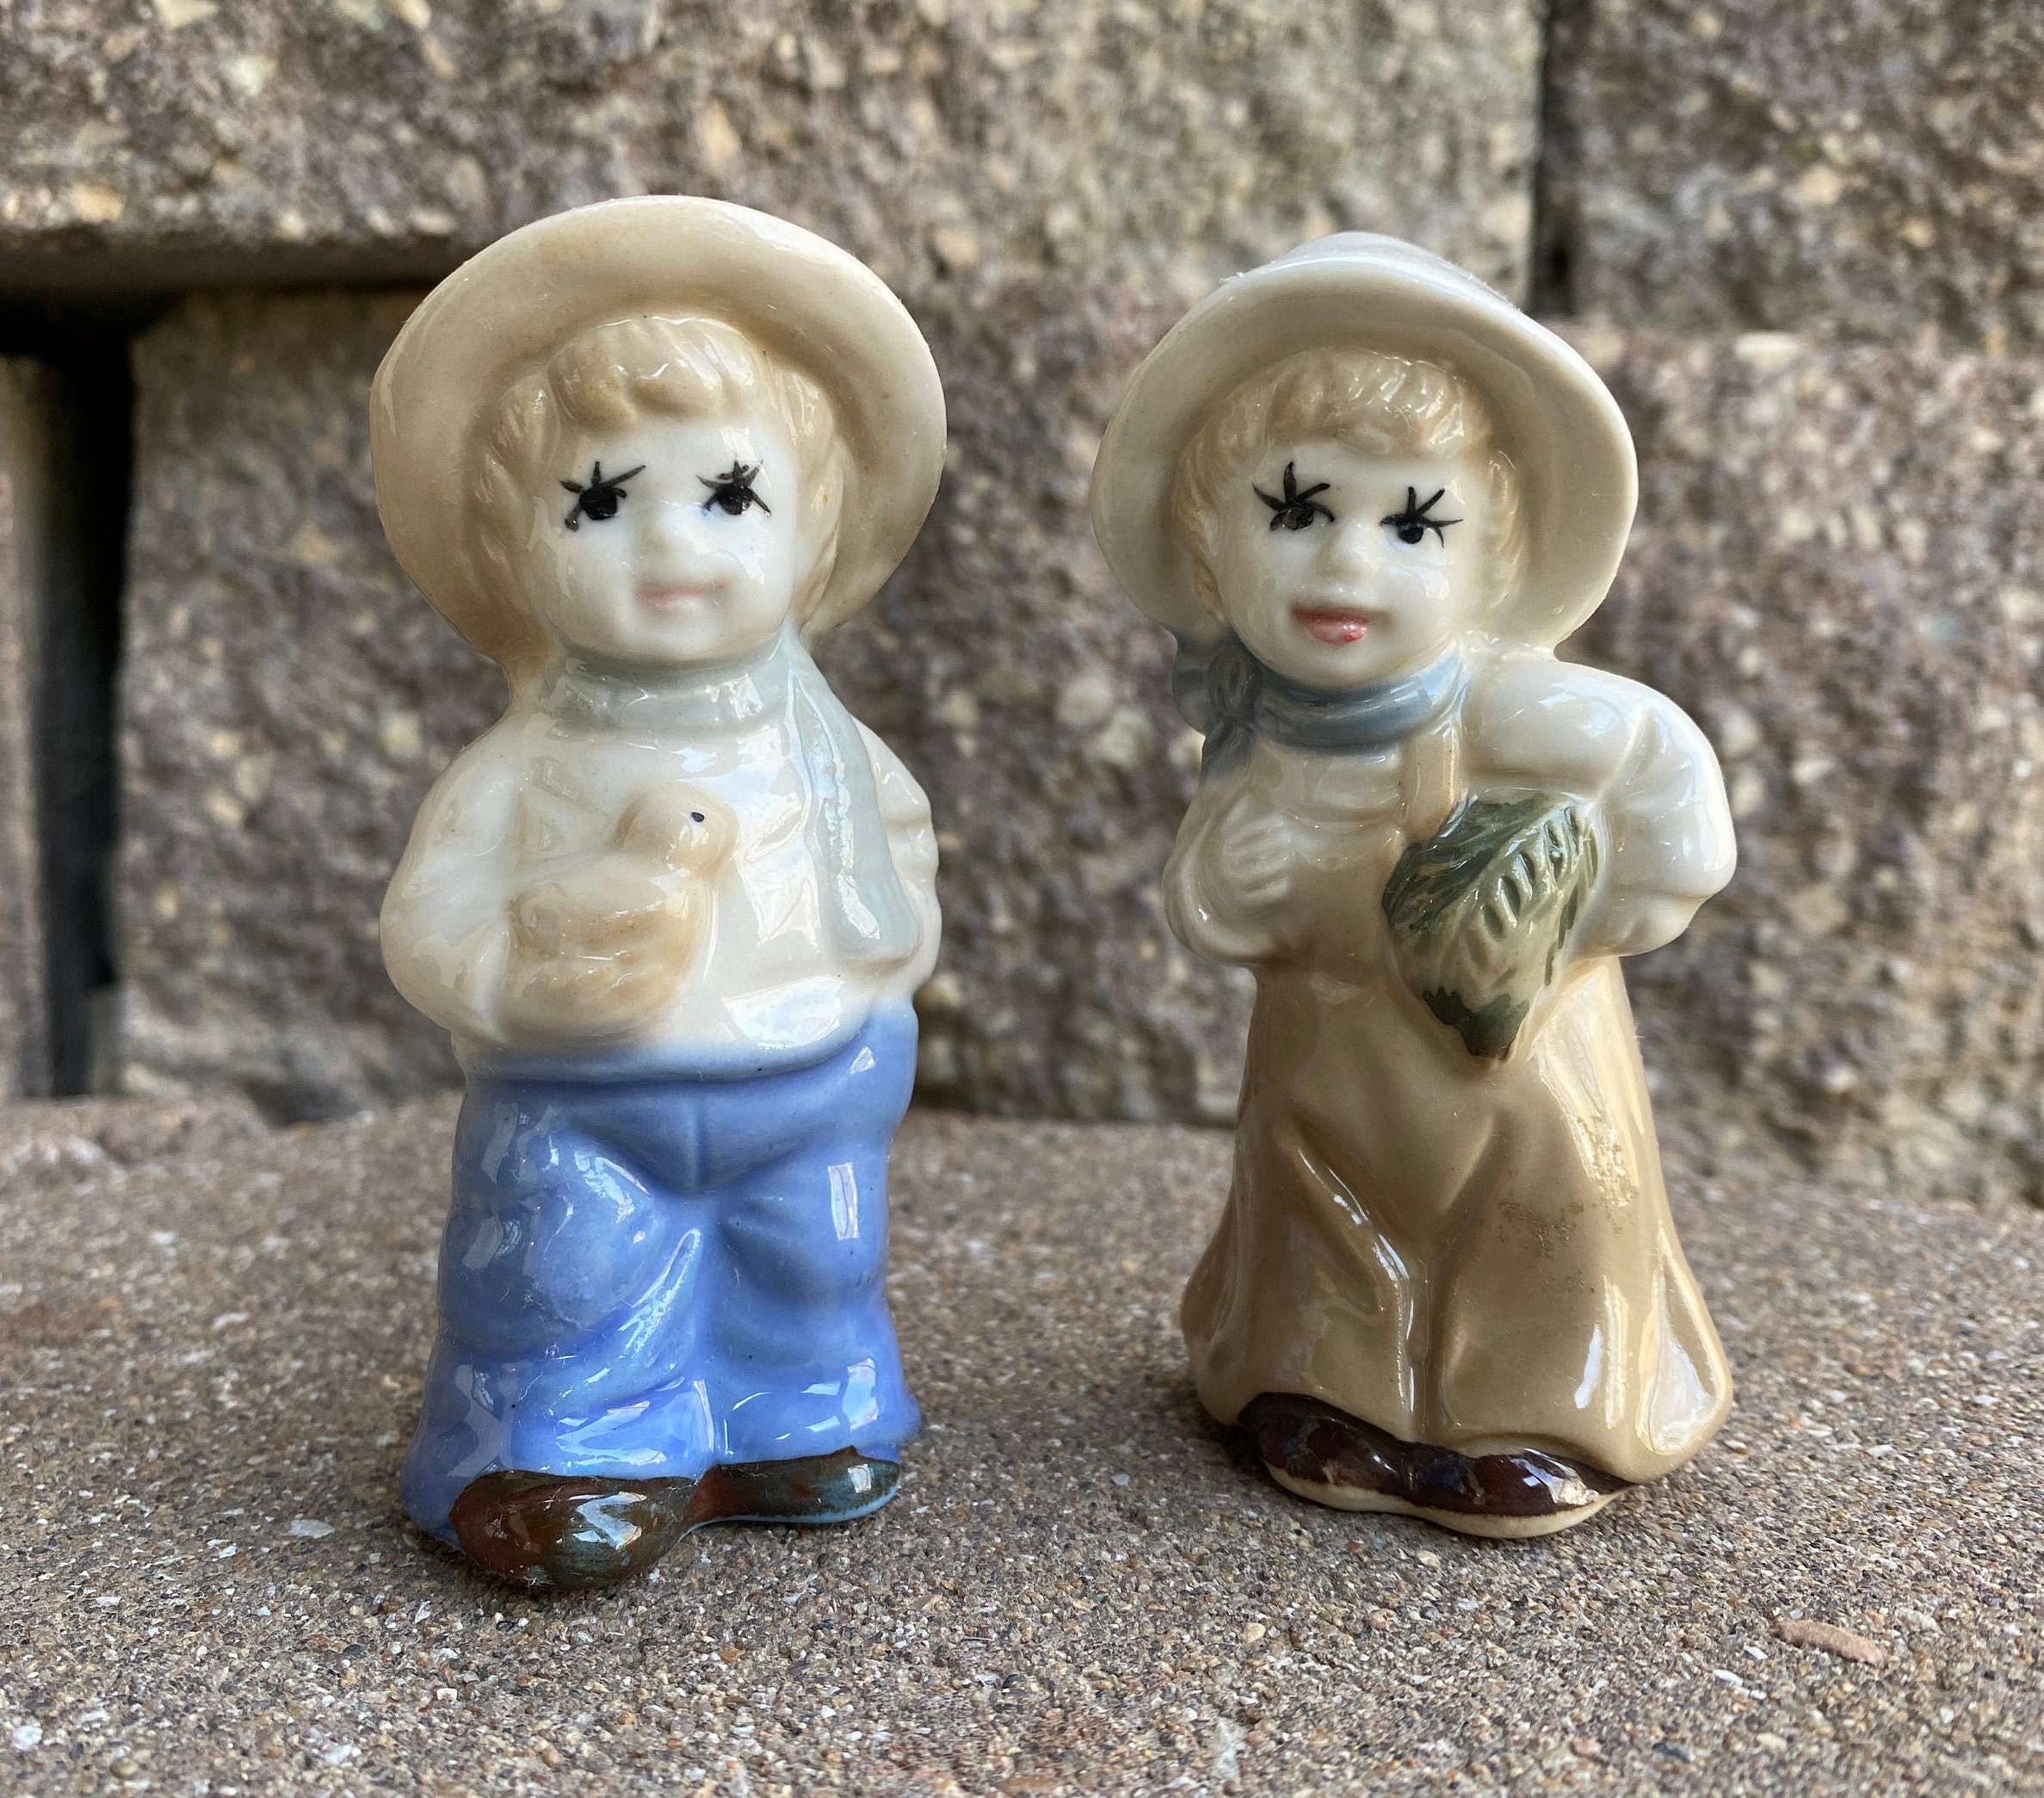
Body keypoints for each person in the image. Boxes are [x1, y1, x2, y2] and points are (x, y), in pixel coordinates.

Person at [1090, 235, 1738, 1537]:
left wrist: (1586, 902)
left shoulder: (1528, 707)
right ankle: (1322, 1389)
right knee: (1319, 1209)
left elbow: (1671, 798)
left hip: (1515, 1073)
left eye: (1413, 523)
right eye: (1294, 512)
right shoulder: (1263, 735)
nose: (1346, 566)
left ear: (1492, 558)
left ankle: (1537, 1410)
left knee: (1543, 1211)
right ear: (1213, 547)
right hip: (1326, 1062)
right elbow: (1208, 885)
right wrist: (1237, 877)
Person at [370, 197, 945, 1588]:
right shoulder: (525, 767)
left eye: (731, 494)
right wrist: (528, 972)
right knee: (561, 1279)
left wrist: (870, 978)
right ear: (517, 540)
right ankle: (564, 1448)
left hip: (807, 1089)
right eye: (604, 499)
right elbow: (428, 926)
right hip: (585, 1106)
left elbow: (900, 878)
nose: (672, 543)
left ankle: (797, 1417)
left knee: (810, 1266)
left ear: (812, 533)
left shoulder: (833, 755)